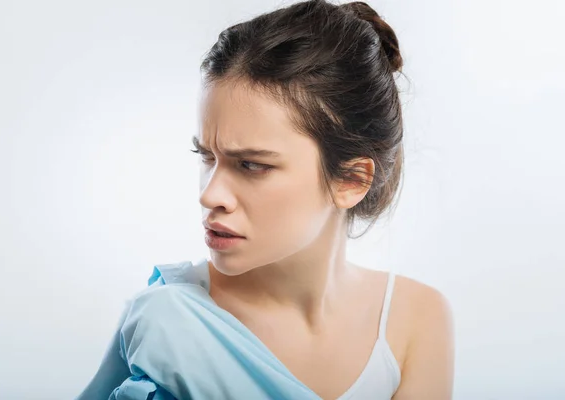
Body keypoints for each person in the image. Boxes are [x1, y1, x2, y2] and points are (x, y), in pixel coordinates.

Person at [75, 0, 454, 399]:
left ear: (351, 180)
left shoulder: (416, 319)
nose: (210, 195)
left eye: (252, 165)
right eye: (207, 156)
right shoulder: (164, 323)